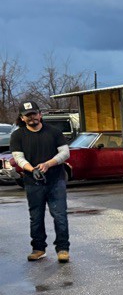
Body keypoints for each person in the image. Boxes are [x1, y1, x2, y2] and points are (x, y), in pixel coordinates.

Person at [9, 101, 71, 262]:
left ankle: (63, 249)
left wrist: (48, 164)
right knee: (36, 217)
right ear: (22, 118)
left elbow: (65, 153)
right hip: (33, 183)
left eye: (34, 114)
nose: (32, 118)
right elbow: (18, 158)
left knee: (60, 215)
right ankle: (38, 249)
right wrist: (32, 169)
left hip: (56, 181)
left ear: (40, 114)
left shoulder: (54, 132)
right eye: (27, 115)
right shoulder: (17, 135)